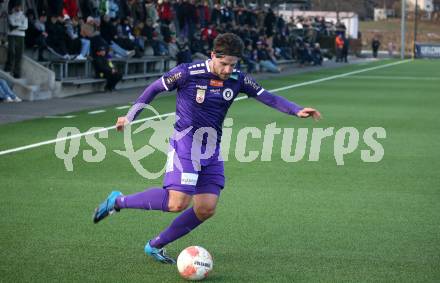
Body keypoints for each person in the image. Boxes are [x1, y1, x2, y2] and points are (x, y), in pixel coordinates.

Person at [92, 33, 321, 264]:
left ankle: (155, 245)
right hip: (185, 143)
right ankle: (118, 201)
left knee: (206, 208)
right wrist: (130, 116)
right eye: (224, 64)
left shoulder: (238, 79)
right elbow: (153, 89)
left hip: (211, 149)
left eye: (233, 64)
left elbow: (267, 97)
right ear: (213, 55)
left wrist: (296, 110)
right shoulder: (187, 72)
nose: (228, 69)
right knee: (176, 203)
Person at [4, 2, 28, 78]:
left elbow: (25, 27)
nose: (18, 8)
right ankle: (8, 68)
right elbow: (12, 24)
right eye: (16, 6)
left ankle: (17, 72)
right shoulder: (11, 15)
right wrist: (19, 25)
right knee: (11, 51)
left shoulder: (24, 16)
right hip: (12, 35)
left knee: (19, 54)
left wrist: (17, 26)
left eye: (19, 6)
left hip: (21, 35)